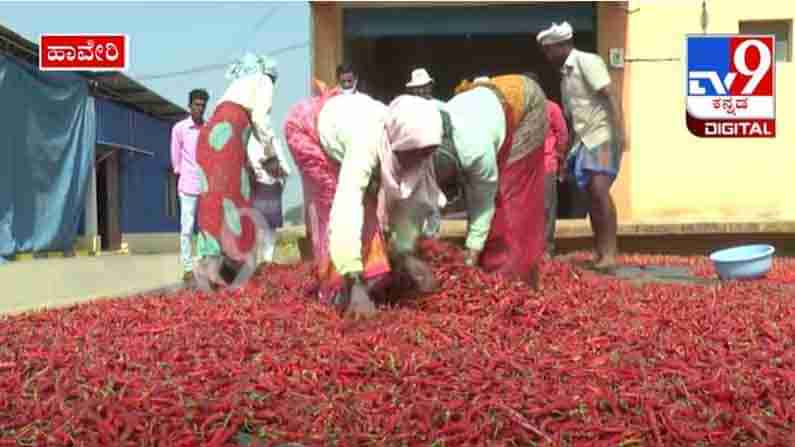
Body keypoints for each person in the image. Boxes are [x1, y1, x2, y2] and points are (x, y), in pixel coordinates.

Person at [284, 92, 444, 317]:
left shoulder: (413, 145)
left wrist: (407, 252)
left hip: (343, 119)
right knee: (332, 203)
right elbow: (346, 208)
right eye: (416, 153)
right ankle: (340, 288)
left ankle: (373, 277)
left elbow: (408, 200)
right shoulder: (365, 142)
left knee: (370, 203)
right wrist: (354, 283)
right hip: (308, 129)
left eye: (427, 152)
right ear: (399, 144)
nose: (421, 159)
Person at [438, 73, 548, 288]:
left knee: (509, 197)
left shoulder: (475, 153)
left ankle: (512, 274)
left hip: (525, 103)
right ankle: (490, 263)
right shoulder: (428, 143)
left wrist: (470, 256)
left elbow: (483, 204)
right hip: (488, 102)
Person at [193, 53, 287, 288]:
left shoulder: (235, 87)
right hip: (228, 137)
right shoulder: (263, 80)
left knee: (212, 198)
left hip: (209, 137)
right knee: (235, 198)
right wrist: (271, 154)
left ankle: (211, 262)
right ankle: (230, 264)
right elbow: (260, 119)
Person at [538, 21, 626, 270]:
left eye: (549, 50)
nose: (547, 55)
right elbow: (573, 117)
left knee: (599, 191)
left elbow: (611, 94)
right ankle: (600, 252)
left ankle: (610, 253)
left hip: (603, 136)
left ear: (562, 45)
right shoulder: (566, 76)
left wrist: (620, 131)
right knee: (591, 196)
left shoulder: (587, 61)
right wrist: (567, 154)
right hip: (584, 142)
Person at [170, 88, 209, 282]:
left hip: (206, 186)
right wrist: (181, 173)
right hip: (187, 185)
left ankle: (202, 263)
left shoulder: (209, 128)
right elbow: (175, 157)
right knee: (187, 228)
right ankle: (187, 267)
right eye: (197, 105)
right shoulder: (179, 129)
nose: (200, 109)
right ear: (189, 106)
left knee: (205, 228)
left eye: (203, 105)